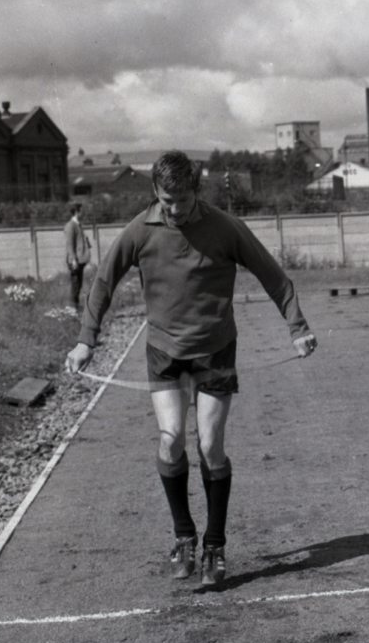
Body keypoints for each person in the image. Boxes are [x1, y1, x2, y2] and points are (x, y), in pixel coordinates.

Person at [64, 151, 317, 589]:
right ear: (155, 193)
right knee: (171, 439)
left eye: (182, 200)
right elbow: (103, 281)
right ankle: (184, 536)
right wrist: (87, 339)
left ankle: (214, 544)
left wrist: (298, 327)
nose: (175, 209)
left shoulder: (225, 228)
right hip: (164, 352)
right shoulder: (140, 231)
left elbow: (273, 276)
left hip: (215, 350)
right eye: (166, 200)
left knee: (211, 445)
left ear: (196, 191)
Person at [63, 200, 92, 316]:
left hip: (80, 260)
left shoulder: (78, 225)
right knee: (75, 283)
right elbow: (70, 244)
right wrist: (73, 259)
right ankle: (72, 307)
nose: (83, 213)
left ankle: (75, 305)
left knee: (78, 283)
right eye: (81, 211)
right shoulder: (71, 226)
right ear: (76, 212)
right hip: (75, 260)